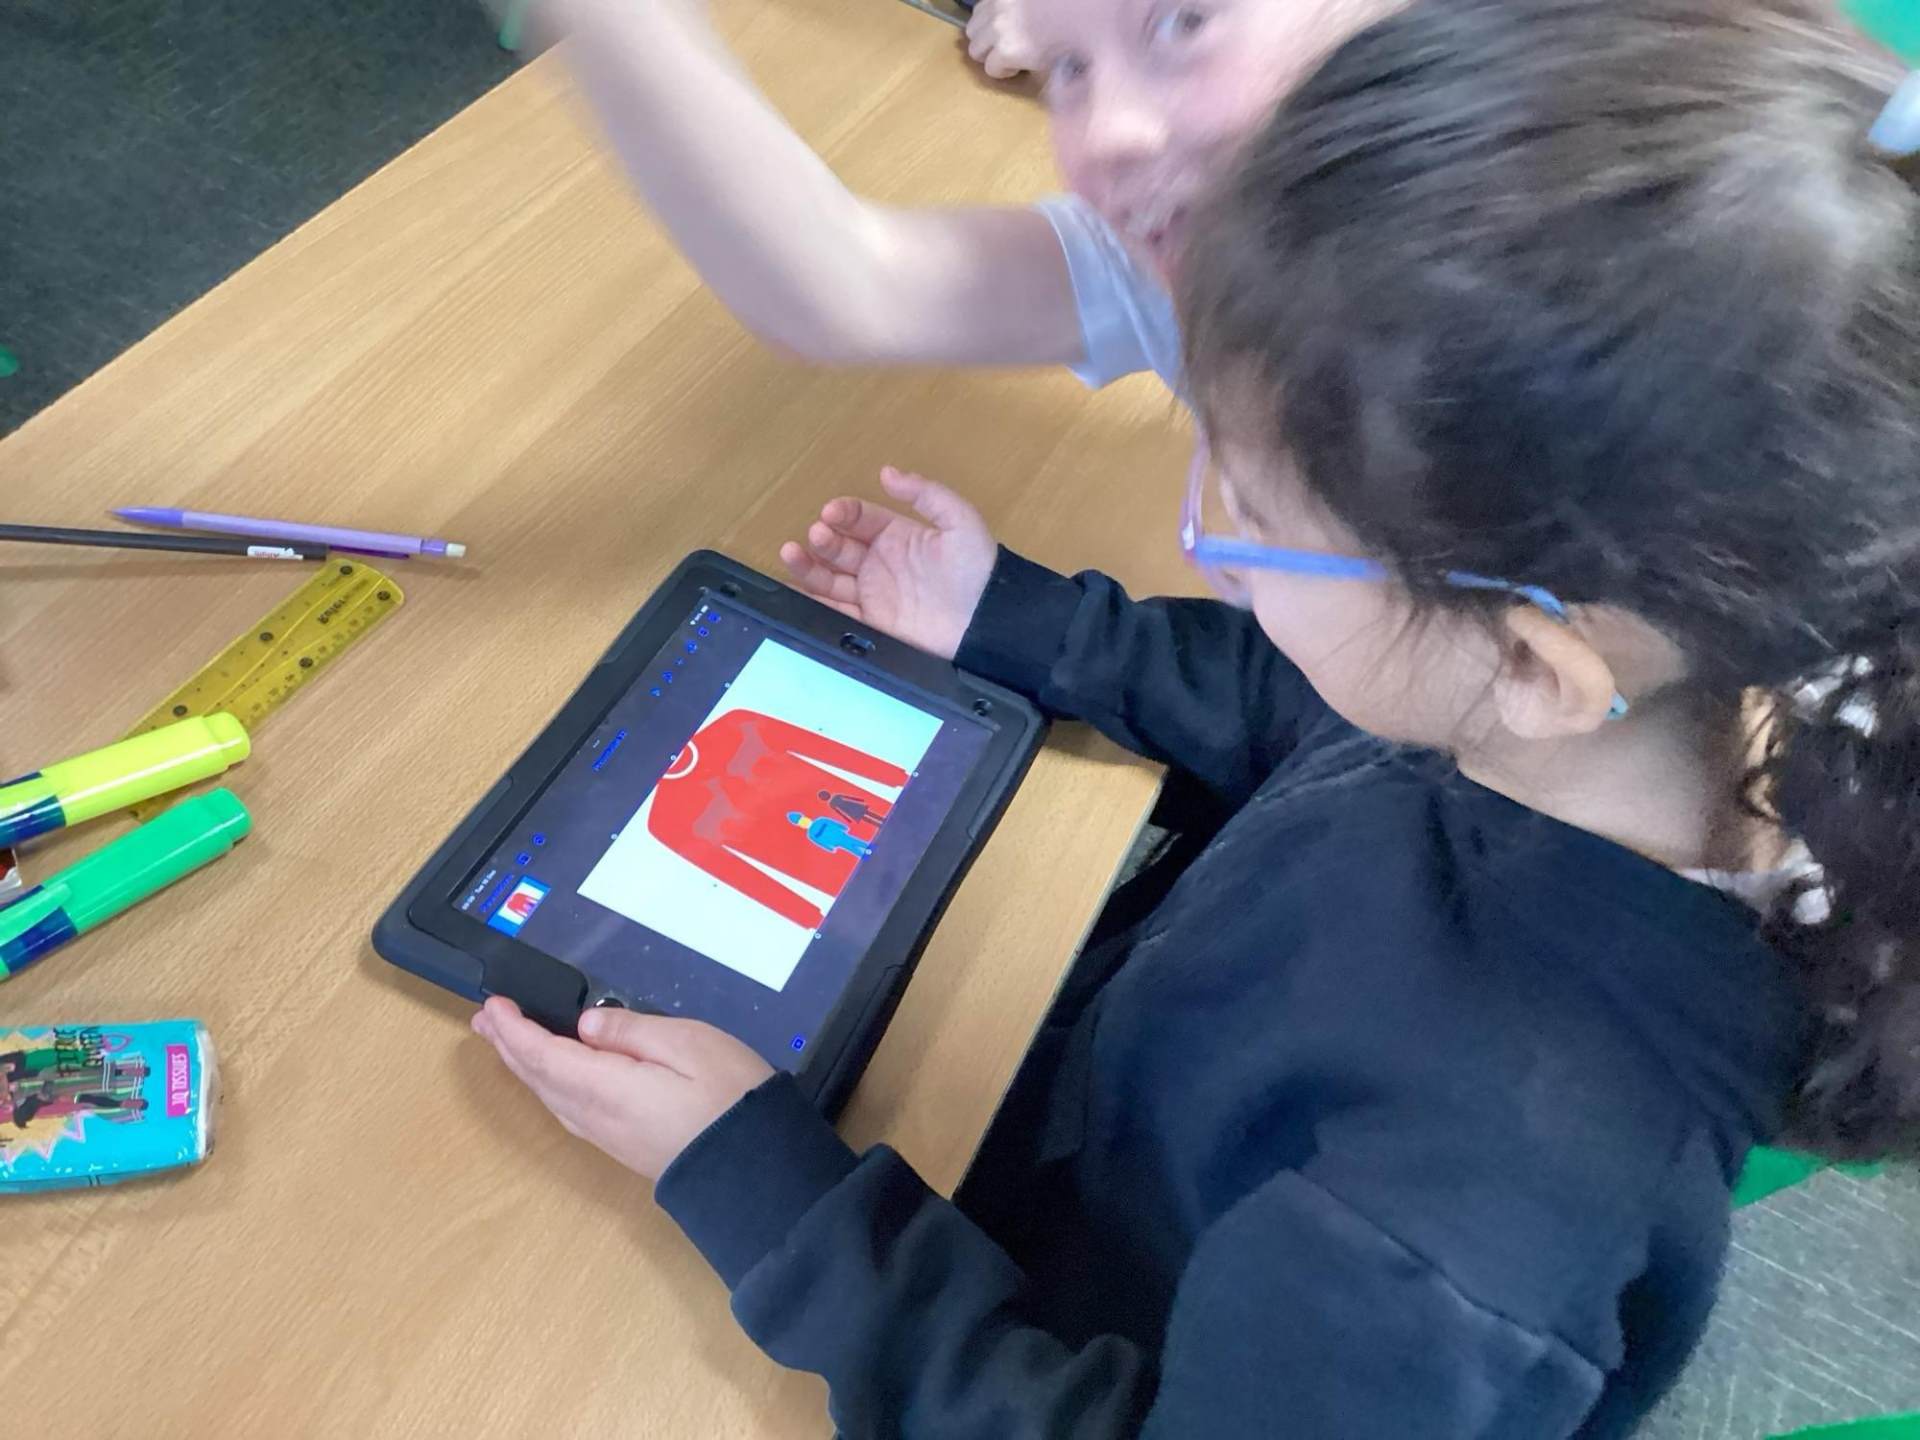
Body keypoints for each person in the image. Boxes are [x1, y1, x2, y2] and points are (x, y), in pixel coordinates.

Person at [472, 0, 1920, 1431]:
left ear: (1537, 665)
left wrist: (771, 1195)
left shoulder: (1452, 1241)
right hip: (1075, 1112)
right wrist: (1019, 622)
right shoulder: (1611, 713)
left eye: (1254, 515)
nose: (1211, 550)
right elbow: (1318, 724)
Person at [523, 0, 1410, 403]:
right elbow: (853, 292)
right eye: (1070, 67)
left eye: (1185, 21)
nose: (1106, 133)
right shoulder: (1203, 248)